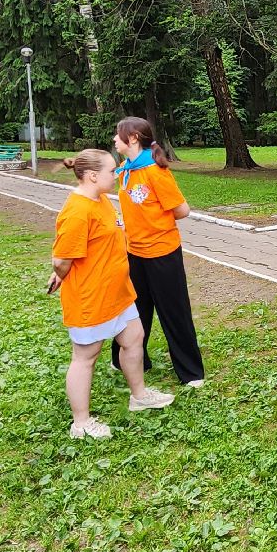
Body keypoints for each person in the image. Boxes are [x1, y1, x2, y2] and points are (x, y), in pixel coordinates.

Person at [51, 150, 176, 438]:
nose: (117, 174)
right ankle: (81, 423)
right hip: (90, 297)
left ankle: (139, 395)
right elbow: (61, 259)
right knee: (86, 357)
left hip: (118, 292)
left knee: (134, 338)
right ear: (93, 176)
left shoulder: (102, 201)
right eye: (111, 171)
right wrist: (59, 273)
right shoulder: (77, 210)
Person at [110, 117, 205, 387]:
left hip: (162, 254)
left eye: (118, 135)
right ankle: (125, 359)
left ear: (133, 139)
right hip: (134, 253)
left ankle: (191, 372)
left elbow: (182, 210)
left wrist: (154, 223)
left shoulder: (155, 171)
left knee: (174, 312)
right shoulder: (125, 169)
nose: (114, 140)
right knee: (133, 310)